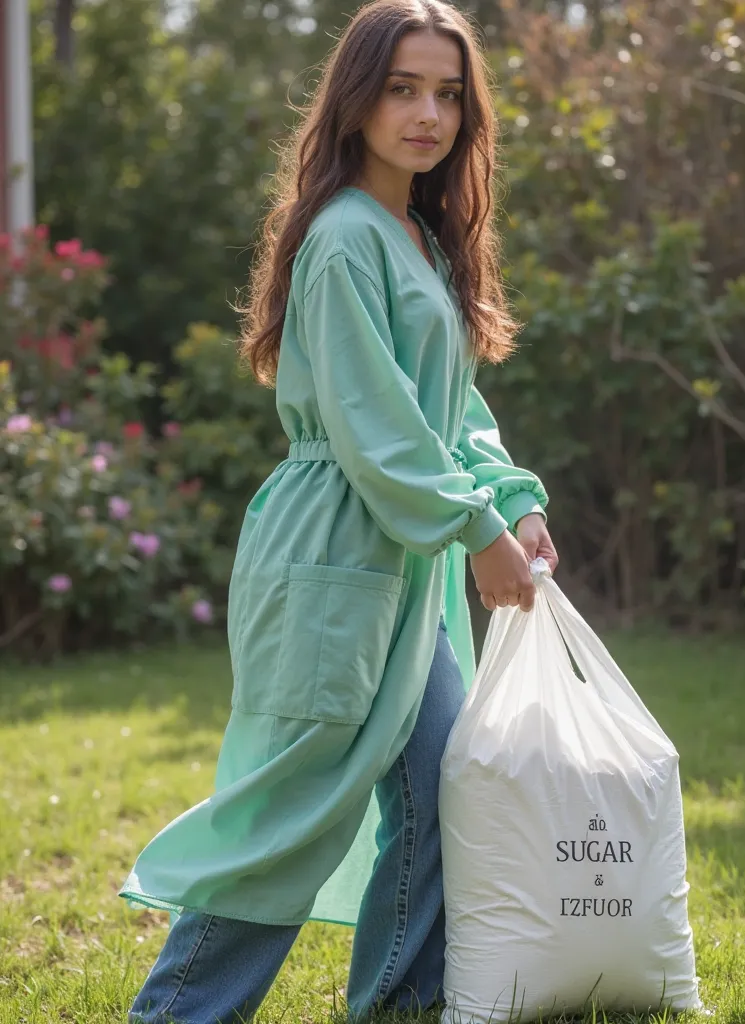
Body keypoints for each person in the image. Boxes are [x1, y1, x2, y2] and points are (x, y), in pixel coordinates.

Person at [120, 0, 558, 1020]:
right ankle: (176, 1011)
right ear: (355, 98)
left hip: (406, 565)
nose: (426, 114)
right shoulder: (342, 238)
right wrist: (475, 526)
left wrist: (508, 496)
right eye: (402, 88)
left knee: (443, 793)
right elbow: (373, 423)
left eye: (447, 94)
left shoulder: (422, 238)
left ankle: (399, 1006)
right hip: (333, 556)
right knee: (295, 809)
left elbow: (447, 408)